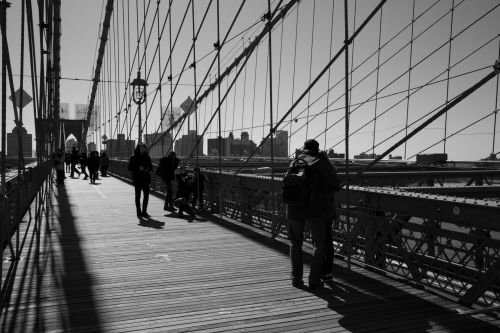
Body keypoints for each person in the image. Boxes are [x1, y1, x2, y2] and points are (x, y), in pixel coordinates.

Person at [287, 139, 340, 289]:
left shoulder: (294, 162)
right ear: (317, 150)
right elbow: (336, 184)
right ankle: (314, 280)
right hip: (314, 209)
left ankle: (296, 279)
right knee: (319, 245)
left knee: (295, 244)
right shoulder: (318, 162)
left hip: (294, 208)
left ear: (304, 148)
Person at [128, 143, 153, 218]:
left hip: (146, 178)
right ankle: (138, 211)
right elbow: (129, 168)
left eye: (144, 148)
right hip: (137, 179)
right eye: (141, 148)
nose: (142, 149)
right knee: (138, 196)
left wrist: (147, 169)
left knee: (146, 196)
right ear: (138, 149)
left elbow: (151, 167)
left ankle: (144, 211)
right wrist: (138, 168)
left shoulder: (147, 157)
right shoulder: (133, 157)